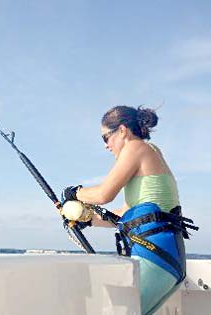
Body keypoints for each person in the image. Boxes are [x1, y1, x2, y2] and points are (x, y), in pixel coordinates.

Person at [61, 105, 198, 315]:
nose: (106, 146)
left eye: (105, 138)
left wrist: (74, 192)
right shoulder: (148, 157)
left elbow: (103, 195)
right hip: (166, 259)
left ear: (122, 131)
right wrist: (86, 218)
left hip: (154, 256)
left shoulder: (136, 148)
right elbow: (124, 215)